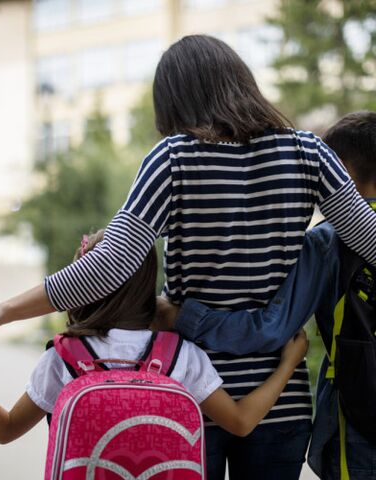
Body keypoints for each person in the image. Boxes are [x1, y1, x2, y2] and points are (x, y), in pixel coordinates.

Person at [0, 36, 376, 479]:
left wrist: (1, 311)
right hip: (280, 399)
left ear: (174, 100)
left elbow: (107, 266)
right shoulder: (309, 153)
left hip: (188, 392)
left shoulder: (173, 158)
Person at [0, 231, 309, 455]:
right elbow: (242, 423)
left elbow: (4, 430)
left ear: (80, 287)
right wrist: (288, 365)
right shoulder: (180, 355)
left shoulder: (64, 359)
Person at [156, 111, 376, 479]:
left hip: (357, 418)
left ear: (340, 170)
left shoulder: (330, 242)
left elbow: (270, 328)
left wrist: (179, 317)